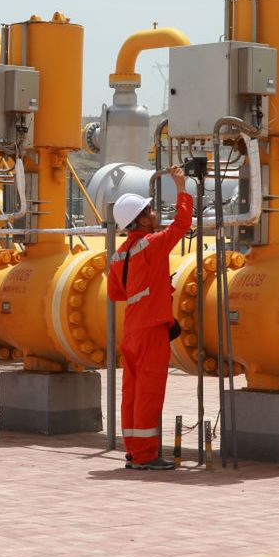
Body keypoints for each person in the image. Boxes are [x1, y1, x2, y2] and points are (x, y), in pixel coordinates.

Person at [107, 166, 192, 470]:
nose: (155, 214)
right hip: (151, 330)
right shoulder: (153, 245)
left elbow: (115, 293)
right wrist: (182, 187)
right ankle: (145, 456)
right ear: (141, 220)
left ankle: (133, 451)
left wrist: (146, 289)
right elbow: (182, 224)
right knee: (149, 392)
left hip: (131, 330)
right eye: (150, 211)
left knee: (131, 392)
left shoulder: (119, 254)